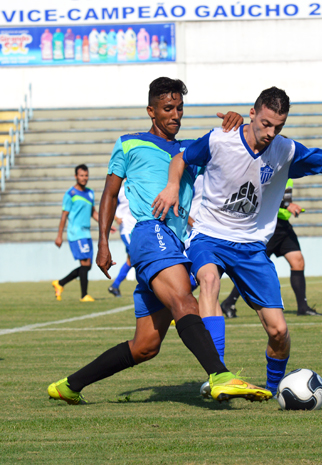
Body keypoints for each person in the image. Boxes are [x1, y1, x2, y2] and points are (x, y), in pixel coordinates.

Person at [153, 86, 322, 395]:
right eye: (266, 124)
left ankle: (275, 389)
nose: (271, 132)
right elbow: (181, 158)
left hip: (252, 246)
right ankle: (217, 375)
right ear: (252, 113)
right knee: (208, 281)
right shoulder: (220, 139)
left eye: (278, 127)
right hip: (210, 236)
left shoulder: (285, 150)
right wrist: (172, 186)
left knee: (279, 331)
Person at [47, 77, 272, 405]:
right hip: (148, 231)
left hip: (175, 242)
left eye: (180, 108)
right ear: (151, 111)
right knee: (185, 299)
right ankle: (220, 376)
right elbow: (110, 193)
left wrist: (239, 125)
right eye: (168, 108)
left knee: (145, 346)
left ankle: (69, 385)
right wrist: (104, 244)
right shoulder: (128, 144)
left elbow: (237, 149)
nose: (176, 115)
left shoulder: (188, 151)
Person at [220, 179, 322, 318]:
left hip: (283, 226)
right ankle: (229, 302)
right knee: (252, 267)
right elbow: (262, 195)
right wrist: (287, 205)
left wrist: (287, 206)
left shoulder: (289, 174)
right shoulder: (270, 170)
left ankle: (303, 307)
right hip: (267, 225)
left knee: (298, 261)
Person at [52, 164, 98, 302]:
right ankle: (84, 295)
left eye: (86, 175)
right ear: (76, 176)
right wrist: (59, 235)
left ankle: (60, 283)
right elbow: (64, 216)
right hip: (76, 233)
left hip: (86, 233)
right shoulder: (70, 194)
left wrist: (105, 224)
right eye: (81, 175)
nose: (84, 178)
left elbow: (93, 212)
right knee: (85, 263)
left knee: (88, 265)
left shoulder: (90, 193)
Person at [107, 184, 137, 297]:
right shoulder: (121, 189)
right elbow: (110, 203)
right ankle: (148, 286)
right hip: (127, 229)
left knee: (130, 260)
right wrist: (115, 217)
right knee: (137, 255)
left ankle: (115, 286)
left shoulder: (138, 185)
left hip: (138, 228)